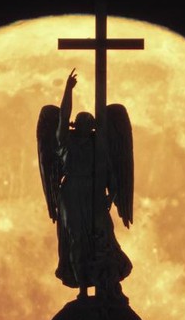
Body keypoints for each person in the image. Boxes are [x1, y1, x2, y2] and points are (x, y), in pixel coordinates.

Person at [53, 69, 131, 301]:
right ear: (75, 126)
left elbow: (113, 179)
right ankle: (83, 290)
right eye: (81, 123)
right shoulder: (65, 143)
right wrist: (68, 90)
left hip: (94, 195)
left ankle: (106, 281)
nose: (85, 127)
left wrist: (110, 198)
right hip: (72, 195)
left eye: (89, 124)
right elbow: (62, 116)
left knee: (103, 235)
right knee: (77, 240)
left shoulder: (99, 148)